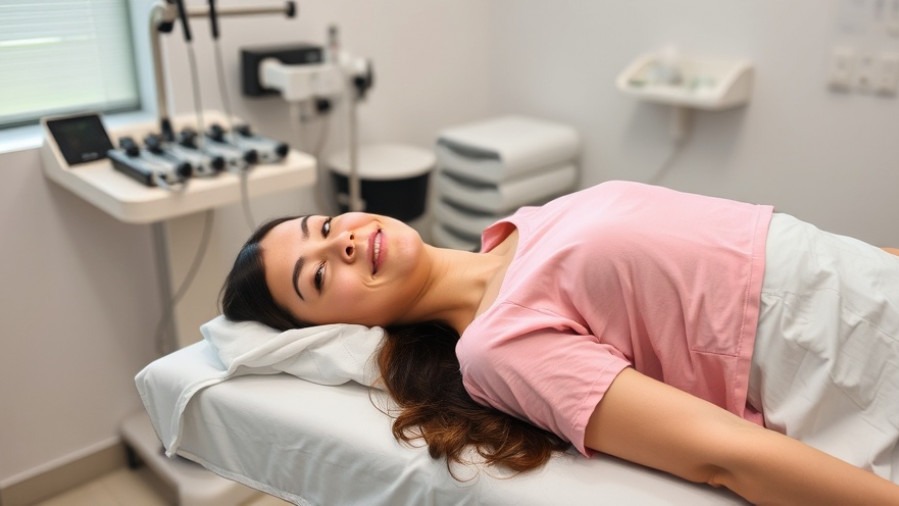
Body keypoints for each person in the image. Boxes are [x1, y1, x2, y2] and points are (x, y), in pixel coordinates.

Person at [221, 180, 899, 504]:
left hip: (868, 286)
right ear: (339, 328)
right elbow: (718, 455)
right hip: (843, 359)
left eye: (323, 224)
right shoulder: (497, 345)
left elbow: (768, 247)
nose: (340, 240)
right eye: (317, 275)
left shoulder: (524, 221)